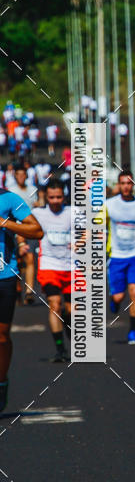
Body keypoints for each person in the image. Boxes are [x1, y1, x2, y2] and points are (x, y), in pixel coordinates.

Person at [0, 188, 43, 411]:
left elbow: (36, 230)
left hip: (4, 277)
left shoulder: (9, 199)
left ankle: (1, 381)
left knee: (1, 338)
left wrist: (5, 223)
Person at [106, 170, 135, 344]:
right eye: (123, 183)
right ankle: (114, 301)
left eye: (129, 183)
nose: (126, 186)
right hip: (116, 255)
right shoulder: (109, 205)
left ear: (133, 185)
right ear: (118, 185)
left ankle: (133, 331)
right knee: (118, 297)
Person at [31, 178, 72, 362]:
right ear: (46, 197)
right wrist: (22, 243)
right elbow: (23, 227)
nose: (55, 201)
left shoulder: (73, 213)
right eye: (52, 197)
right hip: (49, 265)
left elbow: (90, 231)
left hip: (72, 266)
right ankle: (60, 349)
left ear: (64, 197)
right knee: (54, 303)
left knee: (72, 310)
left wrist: (82, 241)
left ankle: (68, 322)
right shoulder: (38, 214)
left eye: (59, 197)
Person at [8, 165, 40, 304]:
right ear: (15, 176)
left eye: (23, 174)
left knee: (30, 258)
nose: (21, 177)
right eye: (18, 174)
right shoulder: (11, 191)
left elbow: (36, 205)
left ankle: (29, 291)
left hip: (29, 228)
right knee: (18, 262)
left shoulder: (32, 189)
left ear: (26, 176)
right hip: (15, 228)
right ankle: (17, 290)